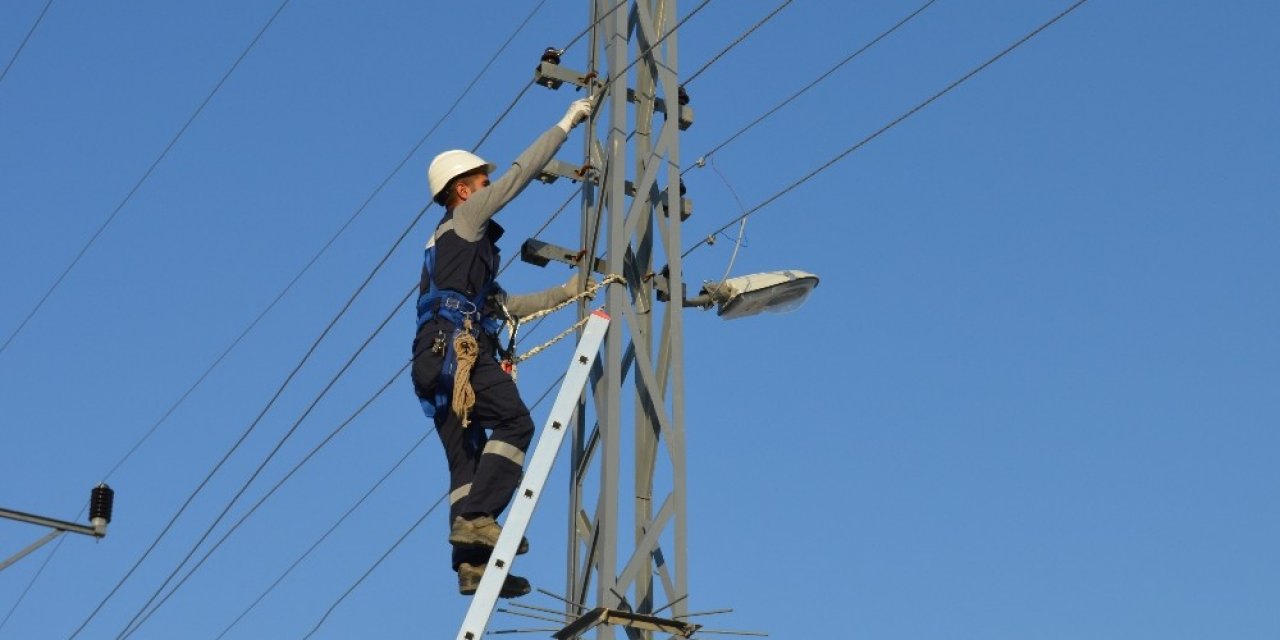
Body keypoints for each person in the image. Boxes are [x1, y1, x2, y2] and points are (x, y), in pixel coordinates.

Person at [412, 97, 594, 598]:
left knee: (466, 462)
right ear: (462, 190)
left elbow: (506, 305)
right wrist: (565, 123)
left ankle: (469, 564)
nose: (489, 189)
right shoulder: (467, 217)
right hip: (458, 350)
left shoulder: (448, 253)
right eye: (481, 183)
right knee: (515, 422)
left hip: (432, 359)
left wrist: (571, 290)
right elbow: (521, 172)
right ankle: (475, 518)